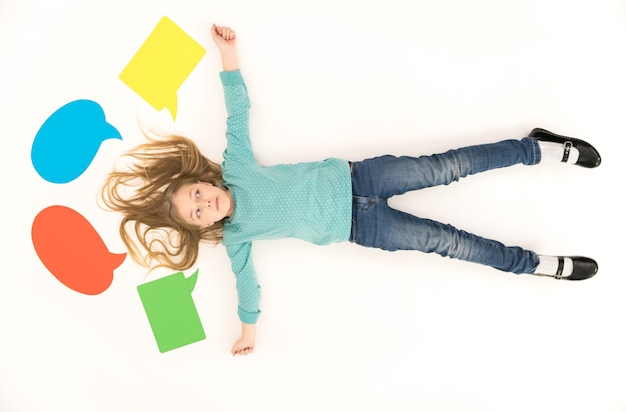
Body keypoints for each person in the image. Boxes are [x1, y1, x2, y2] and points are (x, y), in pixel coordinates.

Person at [101, 24, 602, 356]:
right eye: (197, 214)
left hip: (360, 177)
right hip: (364, 227)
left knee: (449, 166)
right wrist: (247, 332)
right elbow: (247, 286)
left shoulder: (235, 168)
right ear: (205, 226)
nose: (204, 204)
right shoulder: (237, 236)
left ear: (203, 182)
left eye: (196, 195)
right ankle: (534, 265)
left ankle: (537, 149)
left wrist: (228, 55)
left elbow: (237, 114)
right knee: (449, 243)